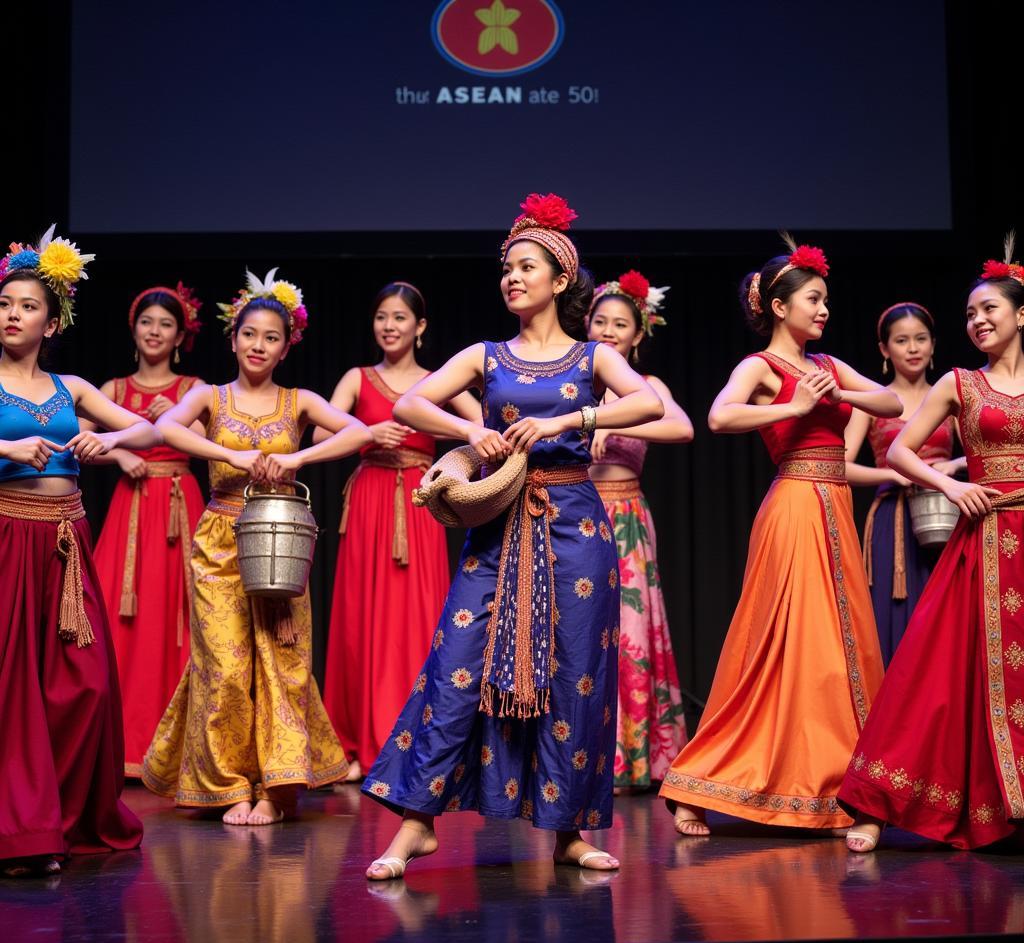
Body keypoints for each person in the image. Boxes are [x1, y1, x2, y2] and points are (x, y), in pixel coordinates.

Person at [361, 194, 664, 878]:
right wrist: (471, 430)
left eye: (526, 267)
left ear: (560, 281)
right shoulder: (486, 355)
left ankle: (570, 834)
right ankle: (417, 823)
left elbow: (654, 405)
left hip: (576, 527)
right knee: (455, 668)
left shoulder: (592, 357)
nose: (512, 278)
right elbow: (410, 401)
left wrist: (568, 422)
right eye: (507, 269)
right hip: (498, 528)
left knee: (574, 677)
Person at [659, 237, 899, 836]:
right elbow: (719, 416)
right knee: (781, 645)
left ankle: (839, 782)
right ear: (778, 306)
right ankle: (699, 782)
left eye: (825, 300)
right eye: (813, 300)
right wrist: (792, 410)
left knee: (841, 648)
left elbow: (891, 398)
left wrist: (838, 393)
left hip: (836, 506)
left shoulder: (826, 366)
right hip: (793, 504)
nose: (823, 310)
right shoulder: (759, 367)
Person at [141, 268, 372, 825]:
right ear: (234, 339)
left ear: (286, 346)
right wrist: (239, 457)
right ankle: (229, 787)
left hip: (279, 537)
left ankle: (277, 789)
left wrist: (296, 460)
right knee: (223, 665)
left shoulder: (298, 401)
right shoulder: (210, 397)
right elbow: (165, 428)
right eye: (250, 335)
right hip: (219, 540)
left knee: (282, 661)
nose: (259, 346)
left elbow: (359, 433)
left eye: (272, 337)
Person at [841, 247, 1024, 852]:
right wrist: (953, 483)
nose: (978, 320)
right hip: (985, 537)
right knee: (940, 677)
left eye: (990, 308)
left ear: (1021, 316)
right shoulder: (959, 383)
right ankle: (883, 803)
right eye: (970, 313)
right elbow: (898, 453)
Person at [0, 226, 159, 876]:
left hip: (67, 544)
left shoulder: (70, 387)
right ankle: (22, 832)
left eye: (27, 305)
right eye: (5, 303)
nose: (12, 314)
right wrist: (4, 450)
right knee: (13, 690)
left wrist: (108, 445)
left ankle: (61, 820)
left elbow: (153, 426)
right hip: (9, 538)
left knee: (85, 687)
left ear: (52, 321)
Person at [319, 282, 480, 779]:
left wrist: (454, 448)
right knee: (360, 617)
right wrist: (365, 434)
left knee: (418, 615)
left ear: (420, 327)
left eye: (400, 318)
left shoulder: (438, 381)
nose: (389, 326)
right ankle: (352, 741)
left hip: (419, 501)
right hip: (368, 500)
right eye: (382, 317)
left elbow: (483, 424)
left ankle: (420, 734)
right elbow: (321, 431)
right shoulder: (357, 378)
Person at [90, 283, 206, 774]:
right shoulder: (114, 390)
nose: (154, 331)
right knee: (122, 622)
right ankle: (122, 747)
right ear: (134, 330)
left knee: (181, 619)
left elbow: (213, 438)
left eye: (165, 324)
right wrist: (118, 452)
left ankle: (179, 748)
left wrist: (175, 423)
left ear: (179, 336)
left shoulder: (192, 389)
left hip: (180, 505)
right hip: (132, 510)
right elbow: (77, 430)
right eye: (147, 322)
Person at [586, 270, 693, 790]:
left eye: (620, 324)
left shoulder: (647, 389)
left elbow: (681, 427)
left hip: (626, 517)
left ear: (637, 335)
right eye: (600, 321)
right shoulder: (572, 382)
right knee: (578, 636)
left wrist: (611, 422)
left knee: (629, 637)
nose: (608, 330)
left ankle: (629, 759)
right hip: (575, 516)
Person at [844, 302, 963, 664]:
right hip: (892, 522)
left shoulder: (950, 396)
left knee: (945, 616)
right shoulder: (873, 403)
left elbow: (980, 452)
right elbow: (840, 465)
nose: (912, 348)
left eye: (920, 339)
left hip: (945, 513)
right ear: (884, 349)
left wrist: (954, 464)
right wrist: (892, 472)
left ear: (933, 345)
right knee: (894, 616)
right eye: (901, 340)